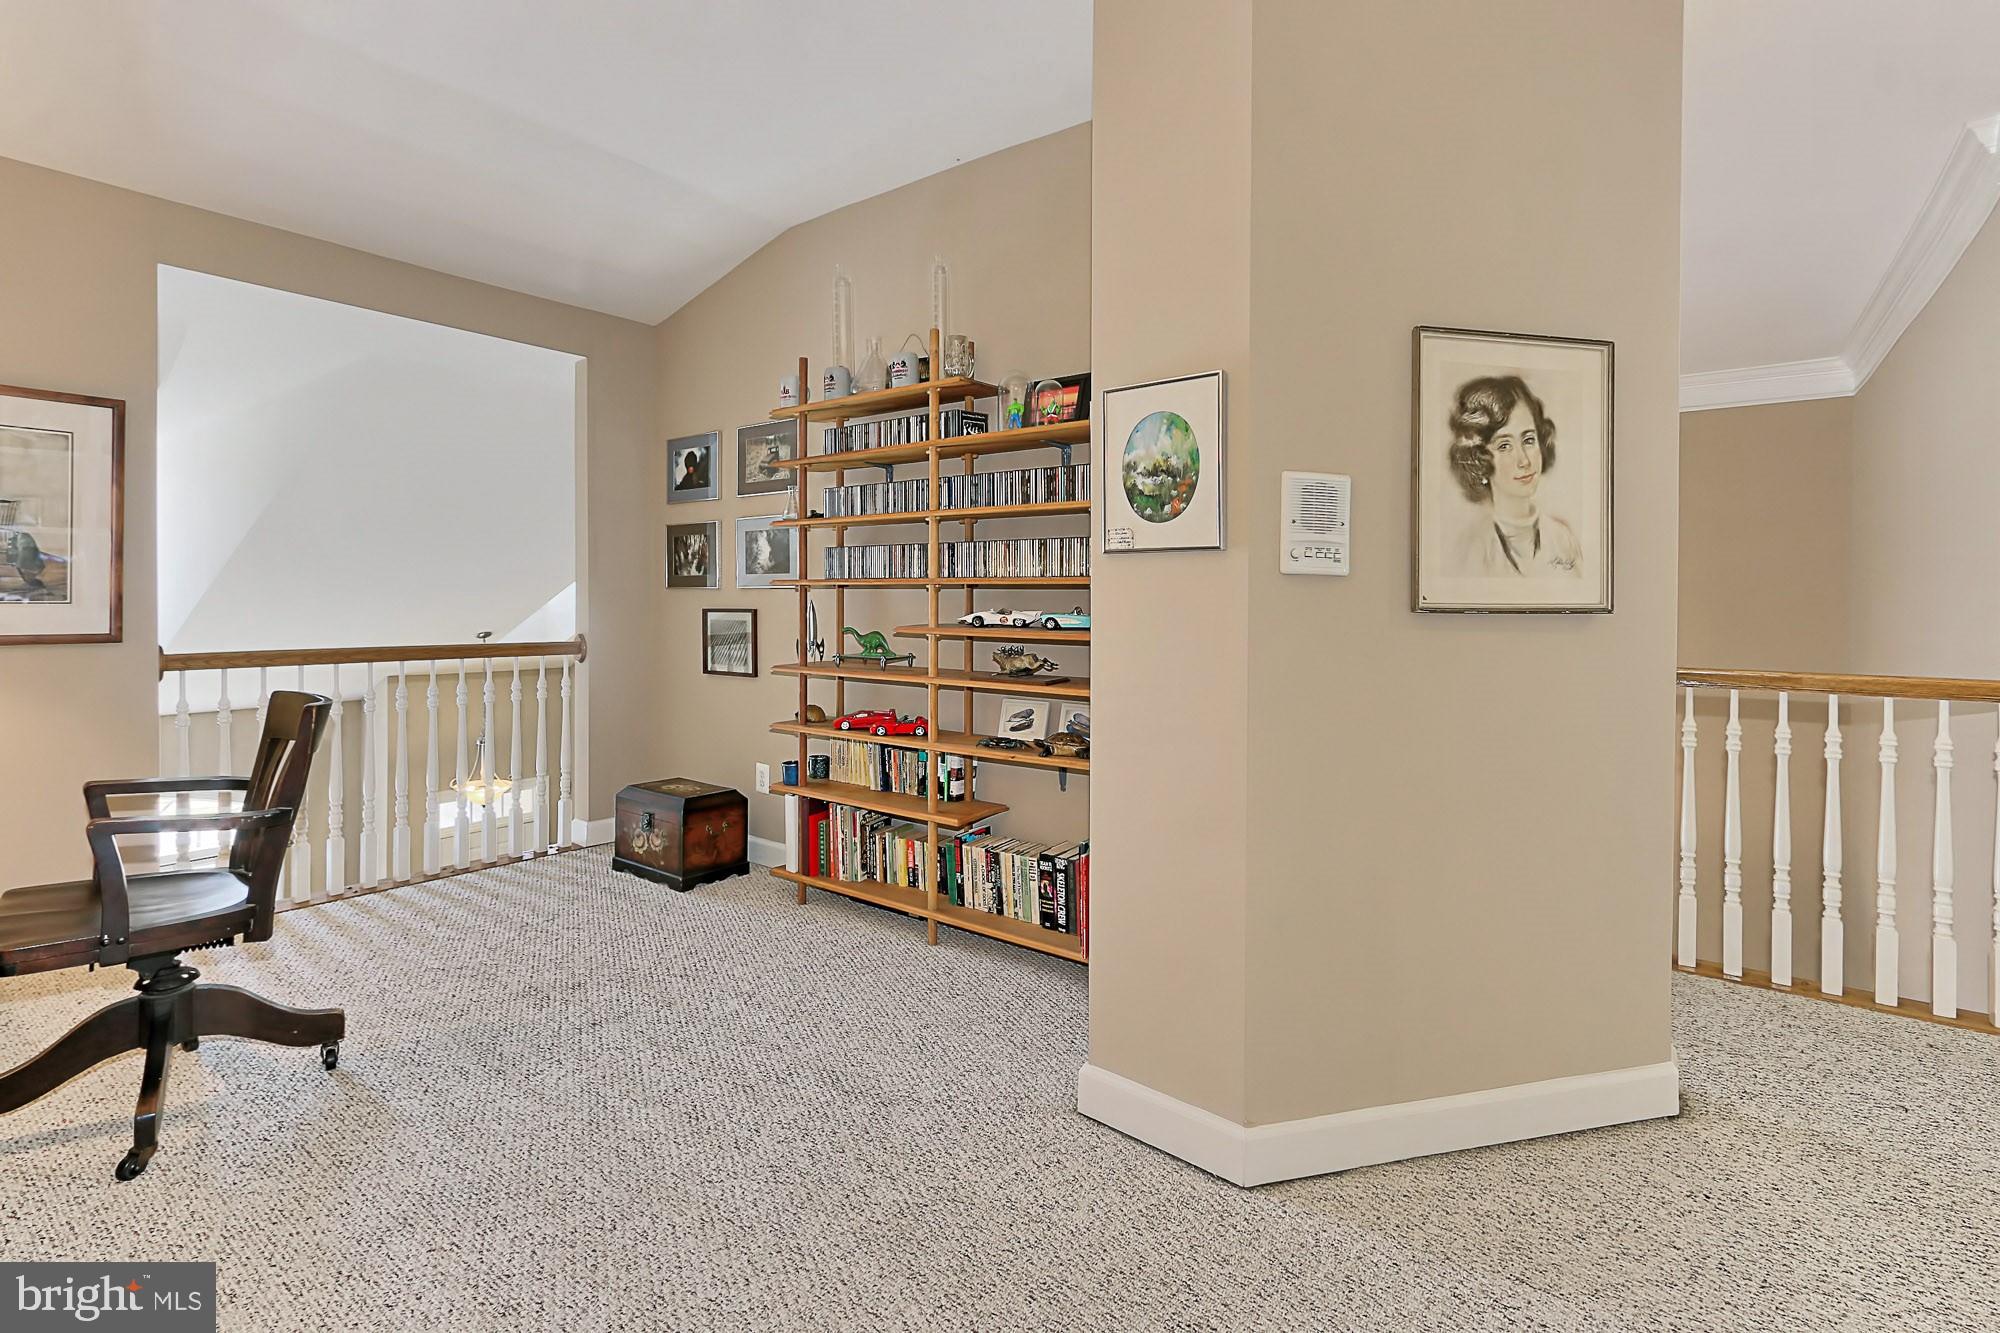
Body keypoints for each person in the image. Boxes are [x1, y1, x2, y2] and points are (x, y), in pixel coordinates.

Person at [1444, 375, 1581, 577]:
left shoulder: (1563, 540)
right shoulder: (1470, 550)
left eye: (1528, 440)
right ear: (1479, 458)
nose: (1524, 460)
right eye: (1504, 446)